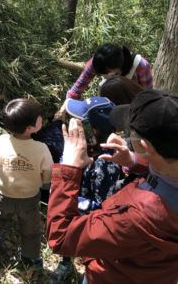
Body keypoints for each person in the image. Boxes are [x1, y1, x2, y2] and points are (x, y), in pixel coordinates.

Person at [46, 90, 178, 284]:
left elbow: (60, 237)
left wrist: (69, 168)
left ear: (145, 145)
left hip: (113, 277)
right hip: (161, 272)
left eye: (130, 132)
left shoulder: (136, 216)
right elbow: (174, 175)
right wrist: (133, 160)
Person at [50, 97, 124, 284]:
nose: (76, 123)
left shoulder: (106, 163)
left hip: (87, 221)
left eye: (81, 121)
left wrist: (75, 198)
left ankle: (84, 269)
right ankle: (67, 263)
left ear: (95, 129)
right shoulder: (97, 148)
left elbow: (102, 205)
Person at [0, 98, 53, 268]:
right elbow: (48, 176)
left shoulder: (1, 141)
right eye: (39, 117)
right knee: (31, 230)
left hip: (4, 195)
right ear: (30, 128)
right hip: (29, 198)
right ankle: (31, 258)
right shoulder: (41, 149)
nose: (41, 118)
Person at [66, 43, 153, 101]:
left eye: (107, 74)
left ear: (118, 69)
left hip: (133, 107)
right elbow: (76, 89)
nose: (104, 76)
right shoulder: (98, 62)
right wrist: (65, 107)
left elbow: (147, 98)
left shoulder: (141, 66)